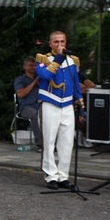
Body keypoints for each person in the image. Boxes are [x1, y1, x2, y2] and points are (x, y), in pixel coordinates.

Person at [35, 31, 84, 190]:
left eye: (62, 41)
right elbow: (45, 75)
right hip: (50, 102)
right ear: (50, 43)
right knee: (49, 141)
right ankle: (50, 176)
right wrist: (58, 58)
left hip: (68, 104)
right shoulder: (42, 59)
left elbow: (76, 83)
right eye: (56, 42)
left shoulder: (72, 61)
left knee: (67, 142)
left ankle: (63, 176)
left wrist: (80, 104)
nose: (60, 45)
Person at [13, 56, 43, 151]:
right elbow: (21, 94)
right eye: (30, 65)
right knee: (35, 115)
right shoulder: (20, 80)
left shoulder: (40, 79)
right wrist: (33, 84)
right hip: (26, 107)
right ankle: (41, 144)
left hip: (40, 105)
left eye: (35, 65)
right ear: (24, 67)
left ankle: (53, 143)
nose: (33, 67)